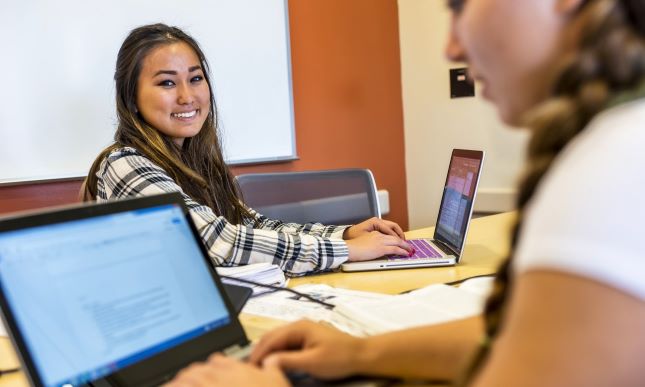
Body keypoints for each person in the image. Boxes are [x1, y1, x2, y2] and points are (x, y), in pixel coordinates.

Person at [166, 0, 645, 385]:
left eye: (459, 6)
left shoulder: (611, 165)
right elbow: (516, 340)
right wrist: (360, 351)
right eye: (168, 82)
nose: (451, 47)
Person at [82, 23, 412, 277]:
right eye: (167, 83)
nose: (187, 96)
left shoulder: (193, 161)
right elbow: (219, 243)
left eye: (195, 79)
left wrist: (345, 234)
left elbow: (253, 227)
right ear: (131, 98)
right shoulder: (124, 164)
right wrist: (347, 252)